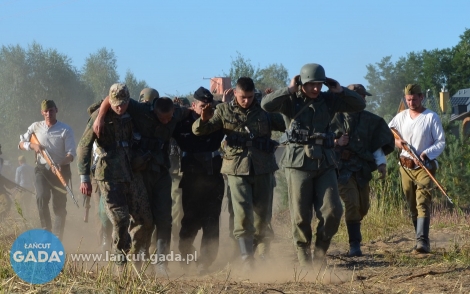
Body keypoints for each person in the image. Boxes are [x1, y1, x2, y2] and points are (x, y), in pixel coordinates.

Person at [261, 63, 366, 268]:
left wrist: (340, 90)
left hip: (324, 161)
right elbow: (266, 105)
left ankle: (320, 253)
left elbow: (359, 106)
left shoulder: (328, 101)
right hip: (298, 163)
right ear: (302, 83)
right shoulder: (290, 102)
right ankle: (304, 258)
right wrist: (289, 89)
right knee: (301, 216)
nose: (316, 89)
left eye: (319, 84)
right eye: (311, 85)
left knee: (333, 211)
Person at [192, 77, 285, 270]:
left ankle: (262, 254)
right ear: (235, 93)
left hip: (263, 168)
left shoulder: (264, 110)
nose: (246, 101)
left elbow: (285, 122)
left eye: (250, 97)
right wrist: (203, 118)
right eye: (243, 97)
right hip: (236, 168)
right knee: (242, 213)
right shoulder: (224, 110)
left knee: (263, 214)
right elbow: (199, 132)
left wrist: (277, 102)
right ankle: (246, 259)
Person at [92, 93, 189, 274]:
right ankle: (137, 257)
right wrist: (100, 116)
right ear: (154, 112)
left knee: (164, 219)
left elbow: (191, 111)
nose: (166, 122)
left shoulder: (177, 113)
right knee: (143, 219)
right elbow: (112, 96)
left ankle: (161, 262)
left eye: (169, 118)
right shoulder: (141, 110)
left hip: (161, 172)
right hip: (140, 172)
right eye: (162, 118)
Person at [77, 83, 154, 267]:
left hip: (130, 172)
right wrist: (84, 177)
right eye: (115, 104)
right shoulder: (99, 117)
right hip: (108, 176)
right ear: (109, 101)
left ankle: (137, 256)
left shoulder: (133, 111)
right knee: (120, 220)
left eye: (123, 104)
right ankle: (120, 261)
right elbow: (83, 146)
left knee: (145, 219)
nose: (119, 107)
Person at [331, 84, 394, 257]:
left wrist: (381, 163)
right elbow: (320, 139)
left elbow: (376, 144)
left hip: (362, 169)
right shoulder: (333, 117)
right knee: (352, 202)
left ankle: (353, 229)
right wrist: (336, 143)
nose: (362, 100)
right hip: (341, 169)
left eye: (363, 97)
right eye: (359, 97)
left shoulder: (370, 120)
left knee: (363, 207)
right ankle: (355, 245)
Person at [173, 86, 225, 274]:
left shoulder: (218, 120)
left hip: (213, 178)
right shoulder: (183, 121)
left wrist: (220, 104)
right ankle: (186, 254)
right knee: (189, 221)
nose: (205, 109)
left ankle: (206, 262)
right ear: (193, 105)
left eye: (208, 105)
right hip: (191, 180)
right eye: (202, 105)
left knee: (211, 222)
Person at [388, 83, 445, 254]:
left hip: (424, 167)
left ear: (422, 97)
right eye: (408, 99)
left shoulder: (431, 117)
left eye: (414, 99)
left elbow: (441, 142)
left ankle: (422, 242)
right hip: (405, 167)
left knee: (422, 202)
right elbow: (388, 133)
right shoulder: (401, 117)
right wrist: (398, 143)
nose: (411, 102)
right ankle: (418, 238)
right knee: (412, 204)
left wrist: (427, 154)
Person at [18, 100, 76, 240]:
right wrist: (33, 146)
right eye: (46, 111)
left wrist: (60, 163)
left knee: (59, 206)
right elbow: (20, 144)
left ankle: (57, 237)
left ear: (56, 110)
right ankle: (46, 229)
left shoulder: (65, 130)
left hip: (61, 171)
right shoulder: (35, 127)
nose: (49, 113)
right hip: (41, 169)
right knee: (41, 196)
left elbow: (71, 154)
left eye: (51, 110)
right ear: (42, 112)